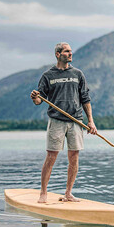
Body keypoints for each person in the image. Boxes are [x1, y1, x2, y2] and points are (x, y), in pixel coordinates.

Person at [30, 42, 97, 203]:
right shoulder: (48, 75)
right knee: (51, 156)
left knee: (74, 156)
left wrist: (91, 122)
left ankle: (68, 193)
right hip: (56, 120)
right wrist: (35, 98)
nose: (70, 54)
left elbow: (85, 99)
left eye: (71, 51)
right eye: (67, 51)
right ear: (58, 54)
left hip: (76, 121)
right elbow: (40, 100)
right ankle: (43, 193)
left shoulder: (78, 74)